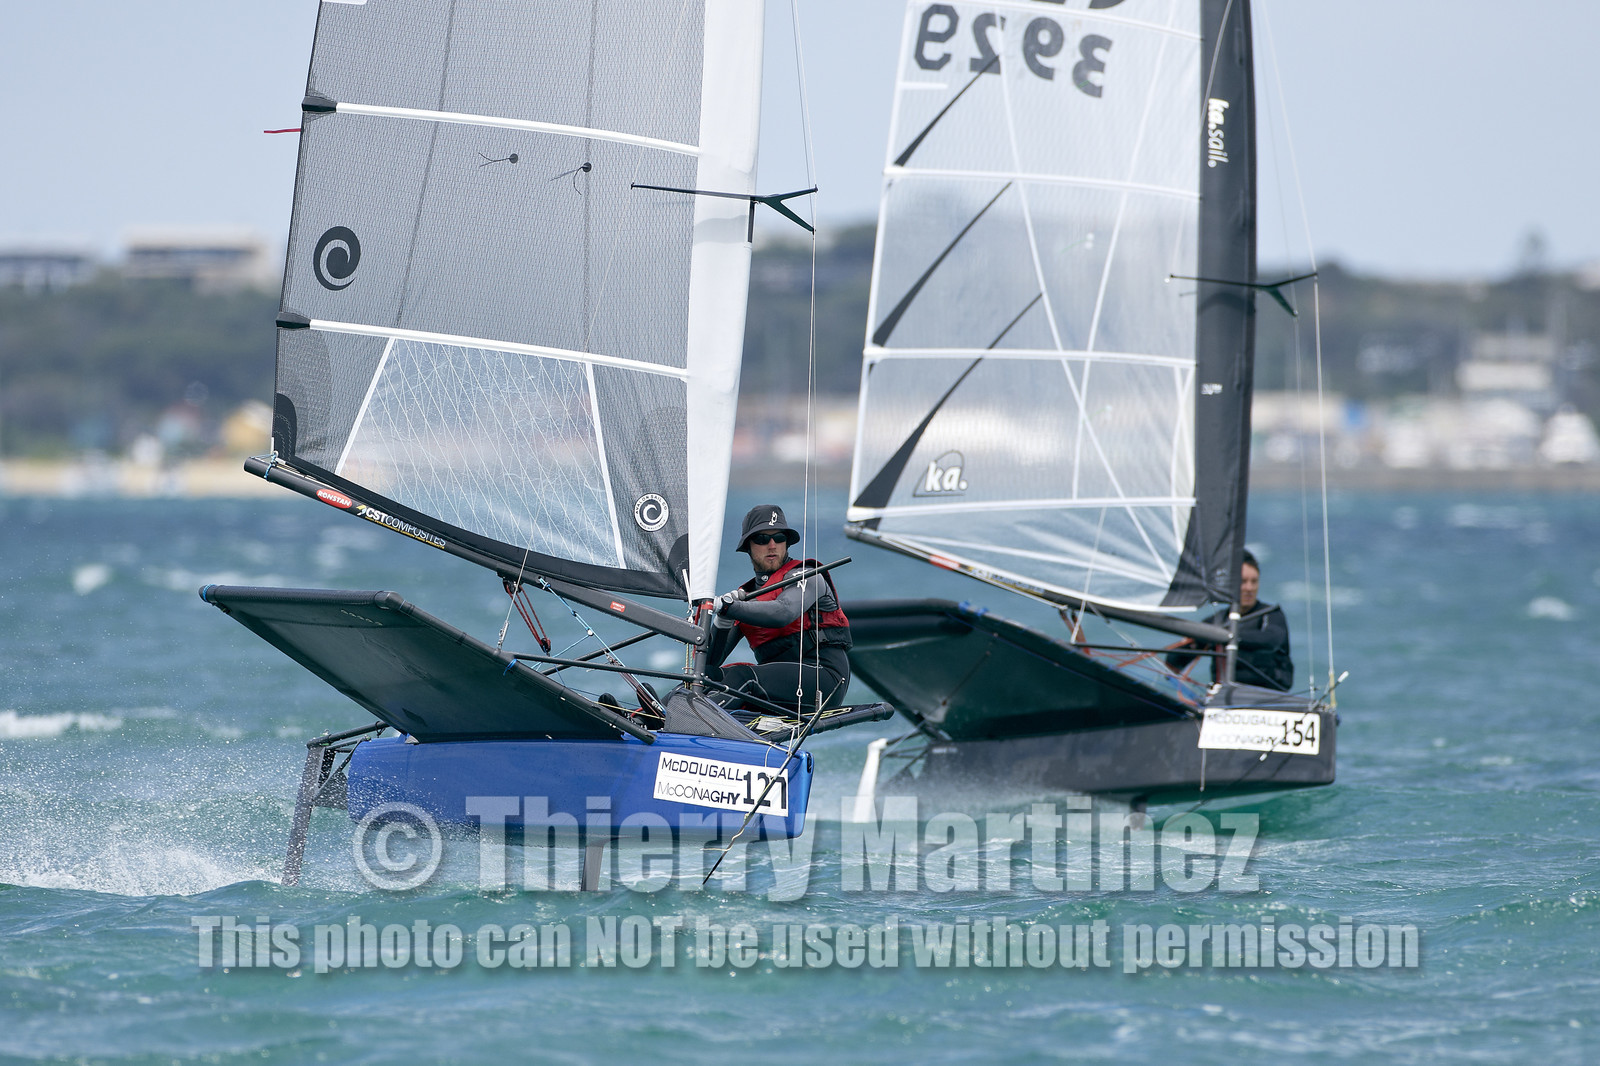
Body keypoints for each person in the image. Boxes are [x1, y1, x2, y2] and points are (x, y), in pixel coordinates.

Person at [704, 505, 852, 714]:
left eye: (779, 537)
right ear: (748, 546)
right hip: (776, 690)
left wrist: (729, 607)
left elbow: (783, 612)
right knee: (707, 679)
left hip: (824, 681)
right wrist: (722, 620)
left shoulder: (808, 576)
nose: (772, 545)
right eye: (762, 539)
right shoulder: (745, 597)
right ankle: (653, 718)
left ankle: (687, 722)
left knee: (742, 677)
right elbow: (707, 664)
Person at [1165, 549, 1293, 691]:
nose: (1249, 588)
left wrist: (1226, 636)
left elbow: (1272, 639)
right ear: (1231, 584)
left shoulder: (1271, 614)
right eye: (1243, 582)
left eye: (1254, 582)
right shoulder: (1217, 620)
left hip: (1266, 695)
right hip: (1225, 696)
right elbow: (1173, 662)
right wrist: (1195, 642)